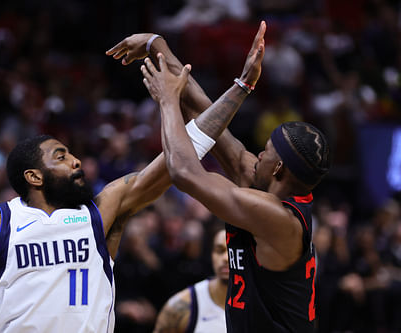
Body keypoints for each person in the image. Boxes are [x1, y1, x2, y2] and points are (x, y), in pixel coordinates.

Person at [0, 24, 266, 333]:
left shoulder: (103, 210)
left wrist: (240, 87)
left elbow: (177, 157)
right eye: (61, 157)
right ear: (34, 176)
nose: (76, 161)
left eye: (73, 154)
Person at [140, 21, 331, 332]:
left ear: (279, 169)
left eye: (266, 151)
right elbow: (206, 113)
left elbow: (184, 171)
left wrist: (167, 102)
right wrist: (157, 46)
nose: (256, 154)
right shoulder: (263, 183)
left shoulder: (279, 219)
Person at [153, 227, 228, 333]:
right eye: (220, 251)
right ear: (211, 254)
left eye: (232, 251)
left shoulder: (258, 300)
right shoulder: (181, 305)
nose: (226, 258)